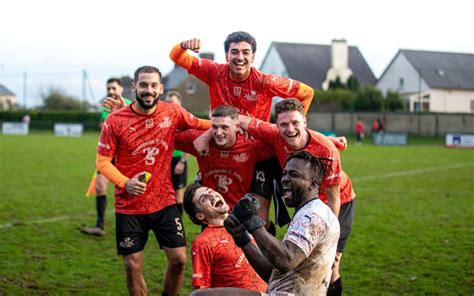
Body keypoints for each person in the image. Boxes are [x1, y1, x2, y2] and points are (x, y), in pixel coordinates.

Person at [170, 31, 315, 229]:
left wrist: (294, 125)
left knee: (258, 220)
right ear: (226, 55)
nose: (240, 57)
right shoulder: (214, 71)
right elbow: (176, 57)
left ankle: (265, 247)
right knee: (216, 210)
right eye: (235, 52)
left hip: (258, 156)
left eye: (246, 52)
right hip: (223, 150)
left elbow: (307, 93)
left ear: (253, 57)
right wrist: (184, 45)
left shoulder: (265, 81)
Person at [95, 66, 210, 296]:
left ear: (161, 88)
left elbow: (201, 124)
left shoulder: (172, 112)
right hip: (129, 206)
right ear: (134, 87)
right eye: (144, 85)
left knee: (178, 261)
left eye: (153, 85)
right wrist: (125, 182)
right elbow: (102, 161)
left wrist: (228, 126)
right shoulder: (115, 121)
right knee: (131, 265)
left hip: (164, 201)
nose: (149, 90)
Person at [239, 99, 356, 295]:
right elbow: (240, 120)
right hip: (305, 201)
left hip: (337, 203)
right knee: (298, 265)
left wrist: (330, 239)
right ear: (276, 125)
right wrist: (208, 134)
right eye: (283, 124)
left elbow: (333, 197)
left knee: (330, 269)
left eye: (295, 123)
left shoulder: (326, 150)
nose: (290, 129)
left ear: (305, 122)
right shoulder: (273, 134)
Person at [191, 151, 340, 295]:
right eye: (284, 173)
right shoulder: (311, 212)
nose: (285, 179)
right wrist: (242, 237)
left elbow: (286, 260)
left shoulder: (312, 215)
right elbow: (274, 274)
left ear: (313, 184)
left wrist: (252, 222)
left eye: (294, 174)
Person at [174, 105, 274, 209]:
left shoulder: (251, 145)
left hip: (240, 213)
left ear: (237, 127)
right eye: (214, 127)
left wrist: (253, 128)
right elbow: (166, 134)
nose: (218, 133)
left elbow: (278, 138)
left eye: (224, 127)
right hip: (210, 213)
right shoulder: (199, 140)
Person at [183, 183, 267, 292]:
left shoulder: (246, 222)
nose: (211, 195)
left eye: (210, 191)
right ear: (200, 216)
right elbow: (202, 290)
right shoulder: (203, 243)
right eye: (203, 199)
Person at [81, 78, 132, 237]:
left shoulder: (131, 106)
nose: (110, 91)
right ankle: (100, 225)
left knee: (128, 191)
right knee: (100, 187)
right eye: (108, 88)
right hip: (108, 156)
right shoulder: (105, 107)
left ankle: (133, 227)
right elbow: (103, 131)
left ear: (121, 89)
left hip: (125, 156)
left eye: (113, 88)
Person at [164, 90, 188, 214]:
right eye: (167, 102)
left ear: (179, 103)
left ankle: (179, 224)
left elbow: (188, 143)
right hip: (163, 161)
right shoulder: (163, 118)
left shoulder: (184, 119)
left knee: (178, 195)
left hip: (178, 160)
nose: (170, 105)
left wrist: (182, 162)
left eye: (172, 102)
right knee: (165, 195)